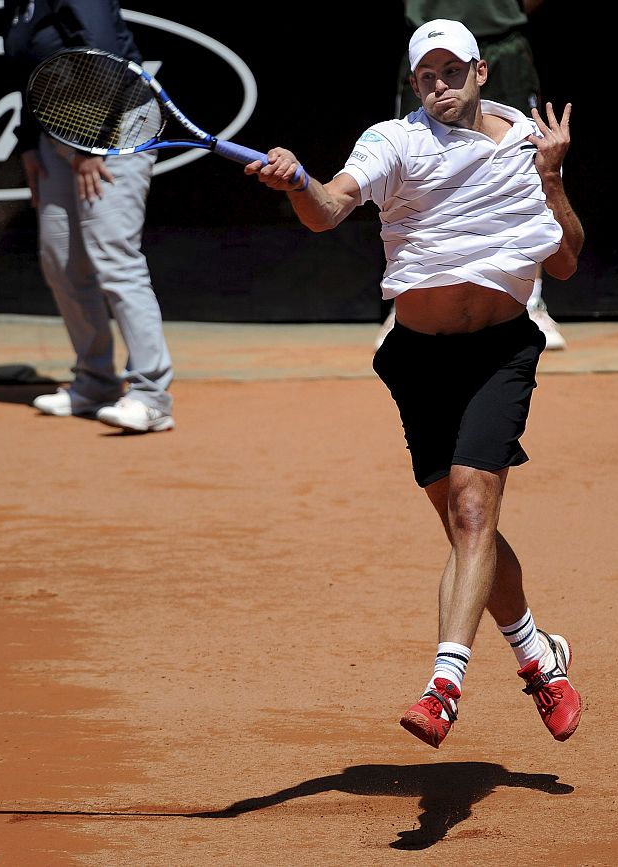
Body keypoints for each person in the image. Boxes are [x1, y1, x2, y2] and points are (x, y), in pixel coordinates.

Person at [245, 19, 584, 748]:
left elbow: (564, 262)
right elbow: (328, 209)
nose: (439, 86)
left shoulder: (528, 144)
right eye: (425, 76)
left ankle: (443, 688)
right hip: (416, 360)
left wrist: (552, 177)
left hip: (499, 353)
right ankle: (538, 655)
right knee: (467, 527)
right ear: (413, 84)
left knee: (472, 512)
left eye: (450, 71)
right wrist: (299, 181)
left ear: (480, 71)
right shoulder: (393, 142)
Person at [2, 0, 175, 433]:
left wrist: (89, 143)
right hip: (56, 133)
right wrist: (29, 142)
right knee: (61, 259)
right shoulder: (16, 2)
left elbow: (102, 52)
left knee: (114, 255)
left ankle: (152, 395)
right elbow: (34, 74)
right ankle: (95, 382)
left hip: (114, 126)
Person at [376, 0, 567, 352]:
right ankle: (408, 300)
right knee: (412, 160)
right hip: (427, 42)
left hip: (501, 42)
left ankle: (530, 300)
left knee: (524, 164)